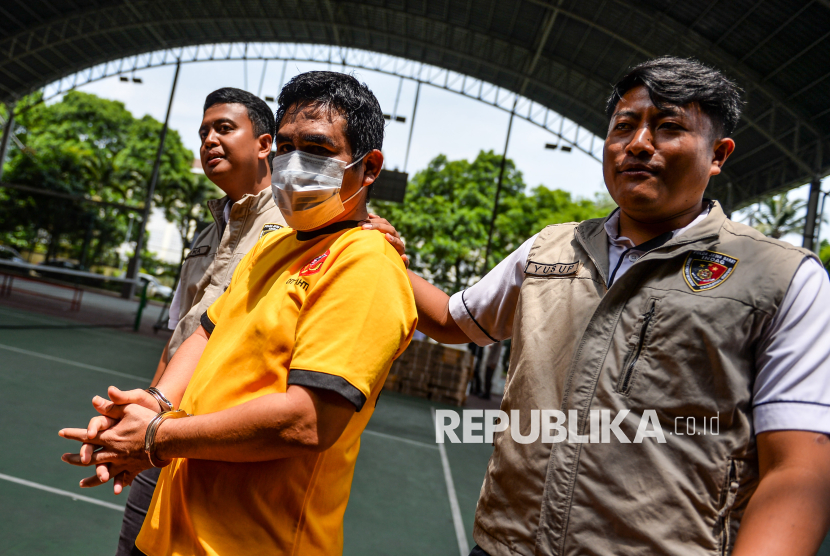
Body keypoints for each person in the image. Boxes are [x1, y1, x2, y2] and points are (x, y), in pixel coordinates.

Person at [409, 57, 830, 555]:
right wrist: (373, 247)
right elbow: (452, 320)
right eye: (623, 127)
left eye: (668, 126)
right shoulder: (548, 250)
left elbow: (798, 471)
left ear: (718, 154)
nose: (638, 144)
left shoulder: (782, 278)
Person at [60, 71, 417, 556]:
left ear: (368, 167)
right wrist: (152, 406)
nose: (294, 165)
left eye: (316, 149)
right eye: (287, 147)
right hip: (170, 531)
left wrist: (156, 438)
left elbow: (305, 420)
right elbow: (205, 333)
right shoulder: (272, 247)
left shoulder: (366, 264)